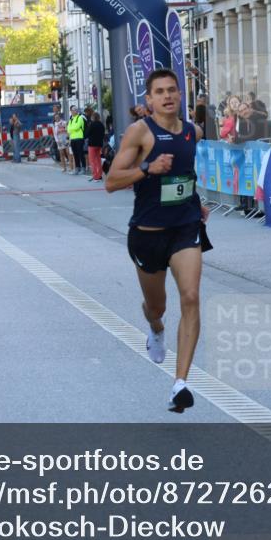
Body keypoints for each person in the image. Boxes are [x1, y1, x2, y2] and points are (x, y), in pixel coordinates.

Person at [104, 68, 210, 413]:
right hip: (148, 234)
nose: (167, 96)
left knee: (191, 297)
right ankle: (155, 326)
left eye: (173, 90)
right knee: (158, 306)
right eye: (160, 91)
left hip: (185, 227)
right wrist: (147, 169)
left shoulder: (194, 131)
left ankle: (180, 384)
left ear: (180, 95)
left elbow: (186, 175)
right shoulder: (140, 132)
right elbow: (111, 181)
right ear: (148, 100)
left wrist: (196, 201)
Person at [67, 105, 87, 175]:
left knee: (81, 153)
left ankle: (84, 168)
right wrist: (72, 129)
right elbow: (68, 129)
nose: (75, 111)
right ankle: (77, 168)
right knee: (75, 154)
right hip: (73, 139)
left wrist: (72, 129)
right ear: (71, 111)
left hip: (79, 138)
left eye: (76, 109)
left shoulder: (80, 117)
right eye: (73, 110)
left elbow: (77, 127)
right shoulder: (71, 119)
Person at [86, 112, 106, 181]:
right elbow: (103, 134)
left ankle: (95, 176)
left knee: (92, 160)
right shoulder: (101, 125)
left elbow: (87, 133)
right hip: (99, 144)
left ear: (93, 118)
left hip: (92, 144)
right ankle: (100, 175)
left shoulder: (92, 124)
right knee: (98, 160)